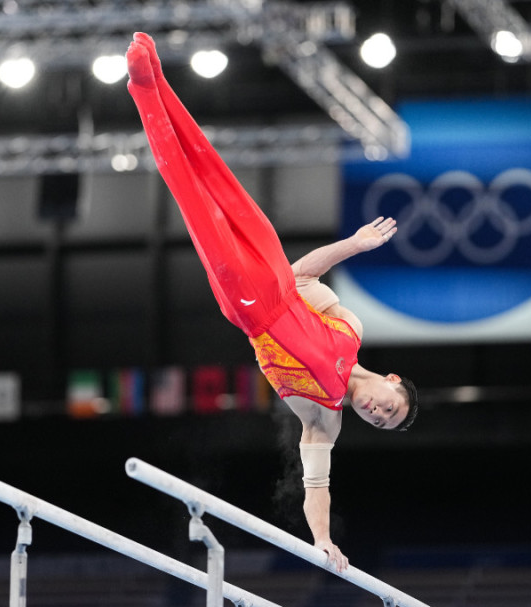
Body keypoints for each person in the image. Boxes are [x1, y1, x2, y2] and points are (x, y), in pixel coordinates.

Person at [126, 33, 418, 572]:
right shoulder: (350, 327)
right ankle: (160, 79)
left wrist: (323, 540)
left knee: (193, 197)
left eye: (379, 422)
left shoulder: (324, 421)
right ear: (391, 381)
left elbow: (316, 487)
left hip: (251, 309)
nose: (376, 412)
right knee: (215, 172)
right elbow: (302, 273)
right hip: (274, 270)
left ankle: (143, 89)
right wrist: (352, 244)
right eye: (388, 407)